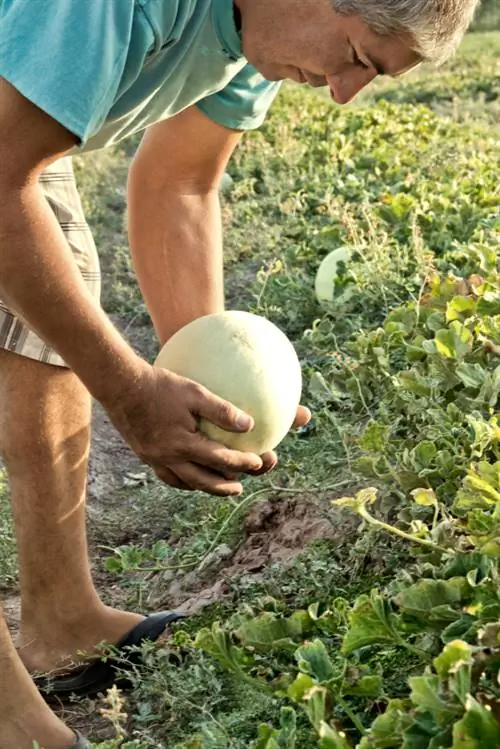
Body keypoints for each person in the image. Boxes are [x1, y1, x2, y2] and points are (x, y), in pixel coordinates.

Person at [0, 0, 480, 746]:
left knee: (54, 268)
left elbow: (180, 185)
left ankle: (62, 621)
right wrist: (127, 390)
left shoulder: (258, 32)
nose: (346, 91)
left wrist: (214, 371)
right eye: (357, 55)